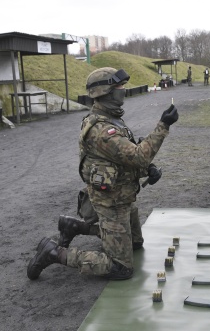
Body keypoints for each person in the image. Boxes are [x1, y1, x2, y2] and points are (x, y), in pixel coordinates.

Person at [27, 67, 179, 281]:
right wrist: (163, 126)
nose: (123, 90)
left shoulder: (112, 119)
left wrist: (148, 170)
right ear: (105, 92)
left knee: (135, 244)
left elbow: (125, 157)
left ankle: (74, 227)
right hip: (111, 202)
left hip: (123, 196)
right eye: (119, 87)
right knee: (121, 267)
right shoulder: (100, 130)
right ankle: (54, 252)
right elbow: (138, 156)